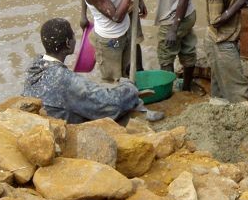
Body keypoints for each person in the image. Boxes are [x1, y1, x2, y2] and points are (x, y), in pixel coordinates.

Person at [23, 18, 162, 124]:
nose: (74, 39)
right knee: (120, 100)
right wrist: (129, 86)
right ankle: (141, 112)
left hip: (45, 118)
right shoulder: (64, 79)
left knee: (103, 90)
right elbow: (110, 104)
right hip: (68, 126)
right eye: (72, 35)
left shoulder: (35, 66)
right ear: (67, 43)